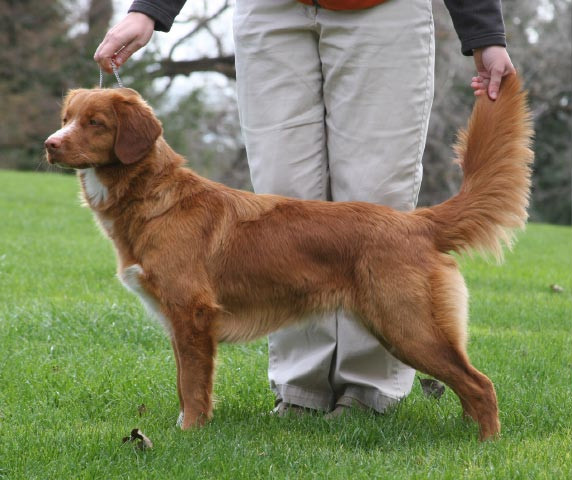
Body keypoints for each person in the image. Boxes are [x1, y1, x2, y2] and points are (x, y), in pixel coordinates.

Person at [95, 0, 515, 418]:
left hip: (382, 10)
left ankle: (368, 392)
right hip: (270, 11)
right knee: (278, 222)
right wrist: (149, 9)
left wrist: (485, 32)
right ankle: (302, 392)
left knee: (377, 206)